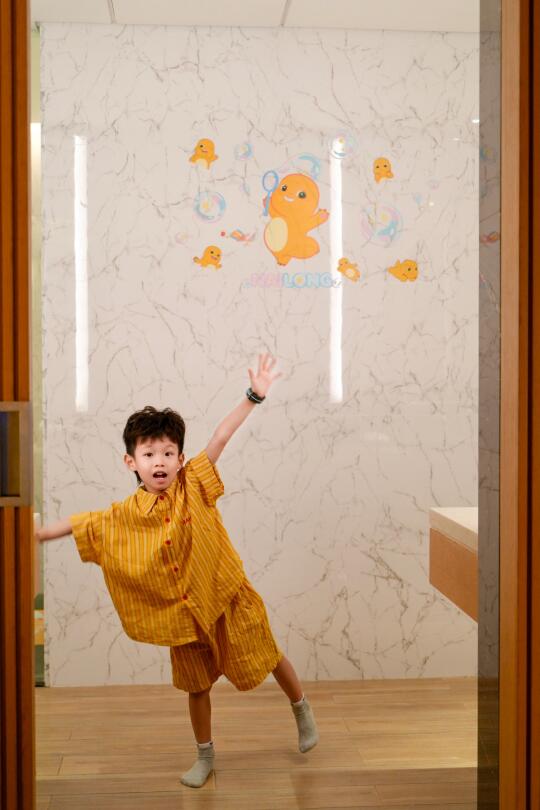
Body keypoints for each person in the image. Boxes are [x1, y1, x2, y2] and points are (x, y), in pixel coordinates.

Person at [36, 353, 319, 788]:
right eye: (149, 453)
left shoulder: (195, 481)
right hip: (183, 616)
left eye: (168, 452)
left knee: (268, 654)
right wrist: (37, 534)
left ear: (181, 458)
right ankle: (205, 755)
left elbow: (221, 437)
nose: (160, 461)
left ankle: (300, 707)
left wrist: (253, 396)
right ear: (131, 462)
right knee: (196, 687)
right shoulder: (128, 512)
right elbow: (86, 523)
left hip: (226, 594)